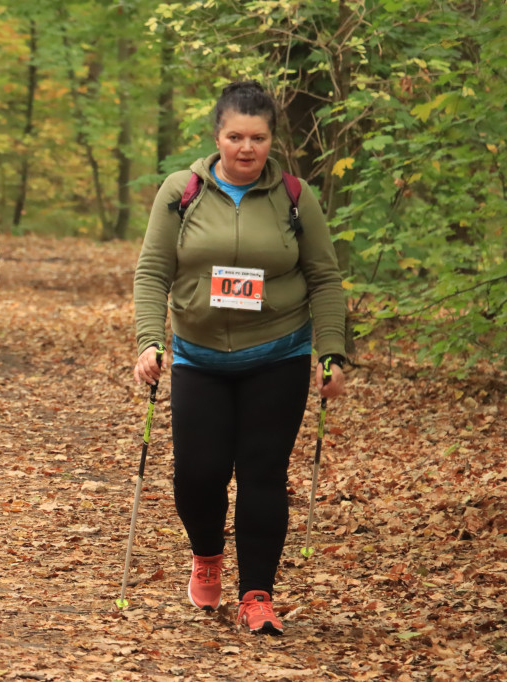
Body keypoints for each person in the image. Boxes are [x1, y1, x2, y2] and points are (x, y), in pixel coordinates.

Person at [132, 81, 347, 635]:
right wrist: (149, 341)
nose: (246, 148)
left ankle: (257, 594)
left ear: (272, 139)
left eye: (257, 137)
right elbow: (153, 270)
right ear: (217, 137)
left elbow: (323, 276)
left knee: (262, 475)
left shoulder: (297, 197)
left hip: (277, 351)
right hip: (201, 357)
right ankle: (206, 556)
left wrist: (332, 351)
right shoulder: (183, 191)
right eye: (235, 137)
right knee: (197, 478)